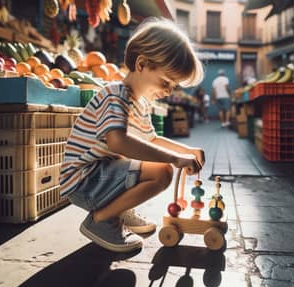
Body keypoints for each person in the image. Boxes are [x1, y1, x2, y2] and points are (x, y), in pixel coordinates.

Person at [60, 18, 205, 253]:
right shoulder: (115, 96)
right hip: (84, 181)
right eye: (166, 81)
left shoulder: (140, 103)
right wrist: (174, 159)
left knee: (154, 164)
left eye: (173, 85)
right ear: (142, 64)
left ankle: (119, 208)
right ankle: (102, 219)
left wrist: (186, 151)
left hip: (100, 175)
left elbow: (151, 140)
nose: (169, 90)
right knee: (162, 172)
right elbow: (118, 141)